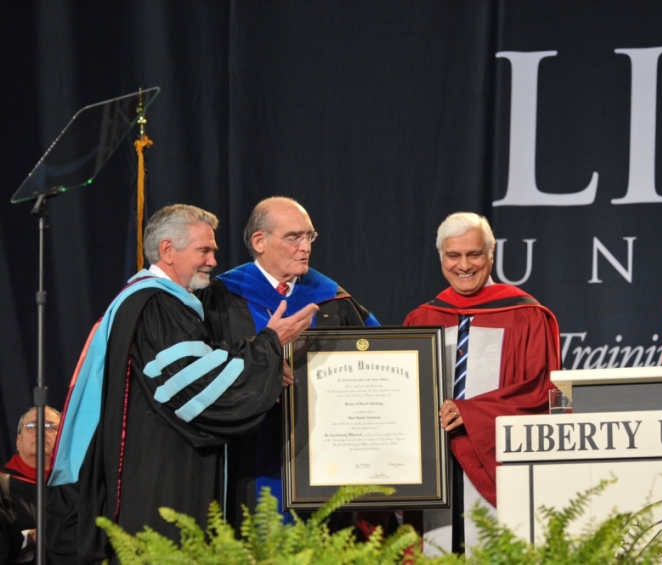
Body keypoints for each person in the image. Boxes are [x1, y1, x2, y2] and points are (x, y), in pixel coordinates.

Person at [46, 204, 318, 564]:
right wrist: (268, 346)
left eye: (214, 251)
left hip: (157, 470)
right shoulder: (156, 304)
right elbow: (198, 392)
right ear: (168, 251)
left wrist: (262, 361)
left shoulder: (156, 303)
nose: (213, 261)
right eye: (203, 251)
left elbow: (195, 370)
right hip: (161, 482)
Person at [197, 196, 378, 526]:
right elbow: (202, 373)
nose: (305, 246)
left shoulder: (332, 298)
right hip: (252, 454)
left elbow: (380, 356)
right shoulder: (219, 298)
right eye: (294, 237)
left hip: (327, 456)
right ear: (259, 241)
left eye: (309, 236)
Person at [404, 212, 561, 554]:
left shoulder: (528, 315)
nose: (464, 265)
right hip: (434, 468)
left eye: (474, 254)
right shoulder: (422, 318)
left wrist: (471, 414)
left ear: (491, 255)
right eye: (453, 255)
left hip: (497, 463)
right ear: (441, 258)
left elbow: (542, 393)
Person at [1, 406, 62, 562]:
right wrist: (31, 538)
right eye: (31, 426)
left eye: (50, 426)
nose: (41, 431)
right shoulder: (2, 487)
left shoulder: (78, 486)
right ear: (18, 440)